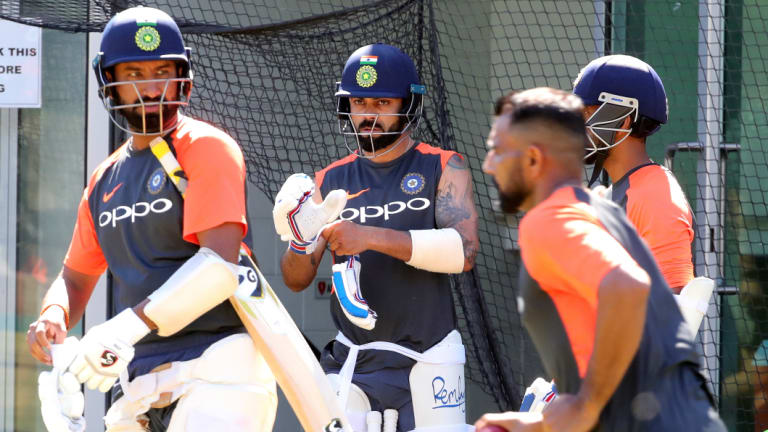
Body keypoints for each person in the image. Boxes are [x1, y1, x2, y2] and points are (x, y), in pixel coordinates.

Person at [25, 6, 276, 431]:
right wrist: (54, 314)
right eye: (134, 74)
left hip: (220, 363)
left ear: (183, 77)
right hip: (139, 375)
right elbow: (76, 277)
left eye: (162, 71)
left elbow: (219, 269)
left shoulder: (207, 146)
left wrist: (121, 329)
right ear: (110, 82)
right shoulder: (104, 178)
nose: (150, 88)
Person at [475, 87, 724, 431]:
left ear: (533, 159)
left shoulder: (550, 219)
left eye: (497, 151)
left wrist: (586, 406)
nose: (488, 165)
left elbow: (627, 287)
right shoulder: (603, 212)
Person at [274, 43, 479, 431]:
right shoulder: (328, 179)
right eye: (359, 102)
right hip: (355, 357)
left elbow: (463, 252)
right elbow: (295, 279)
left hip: (430, 354)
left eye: (382, 102)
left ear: (409, 105)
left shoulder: (443, 164)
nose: (368, 114)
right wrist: (301, 240)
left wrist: (368, 236)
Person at [573, 54, 694, 293]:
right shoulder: (615, 193)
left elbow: (677, 306)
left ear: (623, 122)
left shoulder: (655, 195)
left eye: (587, 114)